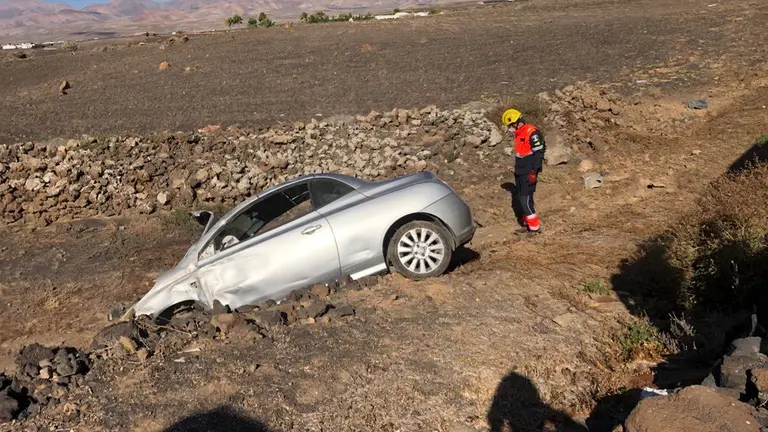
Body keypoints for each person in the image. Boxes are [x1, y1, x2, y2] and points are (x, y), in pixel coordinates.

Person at [502, 108, 546, 234]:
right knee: (523, 198)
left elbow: (539, 154)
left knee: (524, 200)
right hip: (520, 170)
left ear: (517, 122)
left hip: (528, 171)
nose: (510, 128)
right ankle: (527, 224)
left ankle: (534, 228)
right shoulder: (519, 132)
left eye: (510, 125)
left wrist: (534, 172)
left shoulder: (532, 133)